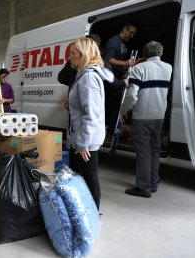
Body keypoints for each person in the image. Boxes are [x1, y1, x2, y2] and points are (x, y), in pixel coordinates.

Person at [68, 37, 116, 210]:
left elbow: (92, 115)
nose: (70, 57)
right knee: (79, 178)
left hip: (86, 140)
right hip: (80, 137)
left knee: (88, 179)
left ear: (84, 55)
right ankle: (82, 213)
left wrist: (82, 143)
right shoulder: (83, 75)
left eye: (73, 53)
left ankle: (94, 215)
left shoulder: (88, 78)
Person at [121, 41, 172, 198]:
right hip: (159, 115)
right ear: (160, 53)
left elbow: (131, 94)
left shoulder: (139, 68)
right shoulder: (168, 67)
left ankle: (143, 187)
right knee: (154, 151)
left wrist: (123, 110)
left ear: (144, 53)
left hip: (142, 116)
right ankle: (153, 184)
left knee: (143, 152)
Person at [104, 22, 138, 135]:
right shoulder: (114, 41)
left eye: (134, 34)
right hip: (112, 80)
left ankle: (112, 129)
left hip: (119, 78)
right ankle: (110, 131)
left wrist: (130, 64)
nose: (132, 36)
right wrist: (124, 63)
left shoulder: (123, 43)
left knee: (117, 105)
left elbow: (121, 62)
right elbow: (108, 59)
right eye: (131, 32)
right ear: (125, 29)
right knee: (113, 105)